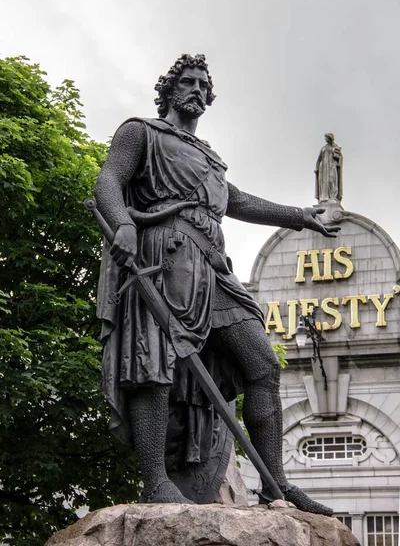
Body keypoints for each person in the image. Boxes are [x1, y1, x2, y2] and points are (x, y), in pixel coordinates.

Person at [94, 54, 340, 514]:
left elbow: (238, 200)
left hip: (212, 268)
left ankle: (277, 485)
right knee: (154, 365)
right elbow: (108, 179)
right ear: (169, 90)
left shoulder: (210, 159)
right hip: (163, 256)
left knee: (262, 364)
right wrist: (122, 223)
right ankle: (157, 482)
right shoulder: (141, 132)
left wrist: (298, 216)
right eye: (186, 81)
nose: (196, 89)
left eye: (203, 84)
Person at [315, 133, 343, 203]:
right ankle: (324, 197)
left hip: (332, 166)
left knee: (332, 180)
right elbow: (319, 158)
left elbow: (340, 157)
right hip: (323, 167)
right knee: (324, 182)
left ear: (330, 138)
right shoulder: (323, 148)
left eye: (326, 138)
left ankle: (333, 197)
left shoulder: (336, 147)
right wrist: (317, 167)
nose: (325, 139)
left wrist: (338, 161)